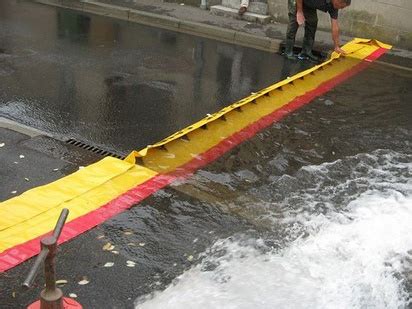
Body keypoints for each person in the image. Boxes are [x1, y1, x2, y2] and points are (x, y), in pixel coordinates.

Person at [284, 0, 351, 61]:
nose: (341, 8)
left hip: (309, 4)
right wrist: (299, 11)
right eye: (341, 6)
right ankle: (288, 52)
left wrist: (336, 46)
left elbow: (335, 26)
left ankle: (306, 52)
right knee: (294, 22)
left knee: (312, 22)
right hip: (297, 1)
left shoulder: (334, 6)